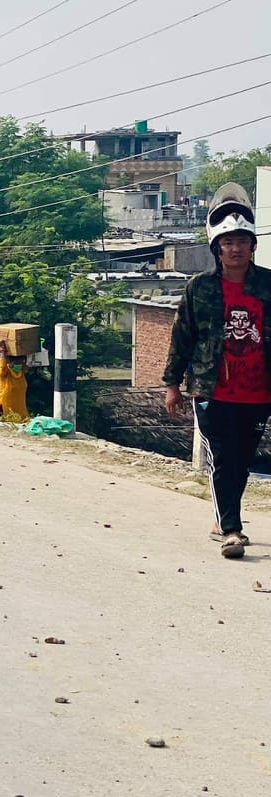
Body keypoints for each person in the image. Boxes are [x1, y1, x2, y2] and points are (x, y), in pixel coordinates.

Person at [164, 183, 271, 561]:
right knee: (223, 456)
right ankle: (231, 530)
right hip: (212, 389)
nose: (235, 248)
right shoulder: (200, 288)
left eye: (242, 241)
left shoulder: (268, 285)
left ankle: (222, 517)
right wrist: (172, 384)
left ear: (252, 246)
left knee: (242, 460)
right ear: (217, 248)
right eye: (228, 242)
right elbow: (183, 336)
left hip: (259, 391)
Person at [0, 340, 29, 423]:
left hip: (20, 410)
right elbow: (2, 366)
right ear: (9, 362)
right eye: (16, 362)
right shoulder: (5, 373)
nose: (19, 364)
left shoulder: (21, 373)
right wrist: (2, 350)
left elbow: (27, 365)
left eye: (21, 362)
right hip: (5, 407)